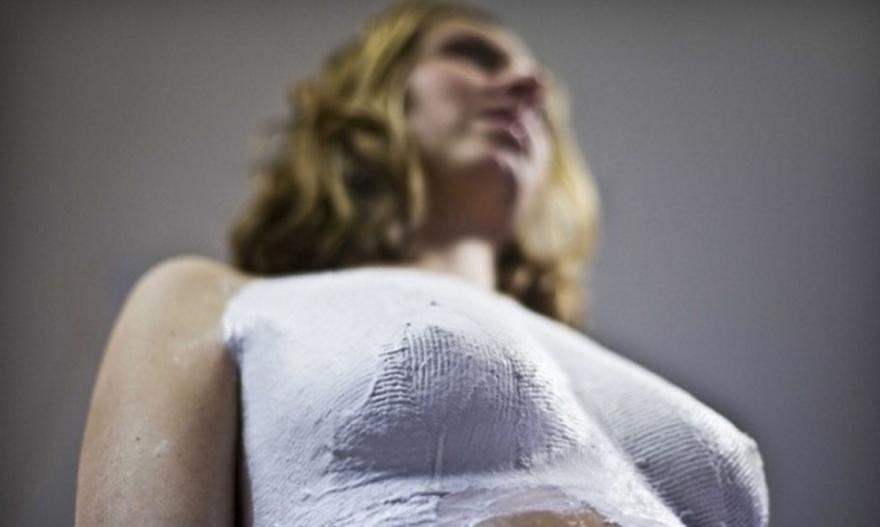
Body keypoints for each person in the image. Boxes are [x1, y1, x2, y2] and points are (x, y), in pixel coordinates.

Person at [75, 1, 770, 526]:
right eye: (474, 55)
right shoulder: (211, 298)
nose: (529, 85)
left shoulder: (607, 371)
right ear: (375, 94)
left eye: (539, 87)